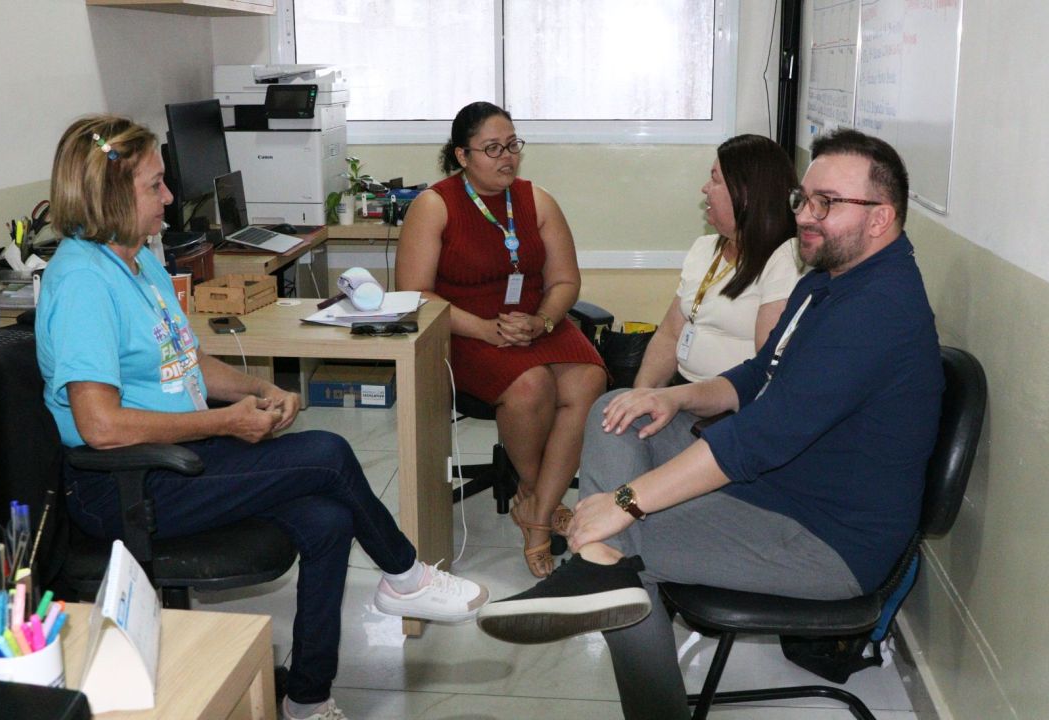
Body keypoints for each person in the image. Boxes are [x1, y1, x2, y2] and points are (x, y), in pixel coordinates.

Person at [476, 128, 944, 720]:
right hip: (781, 485)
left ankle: (607, 587)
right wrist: (678, 398)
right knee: (616, 411)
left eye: (828, 203)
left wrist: (627, 500)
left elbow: (758, 437)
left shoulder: (879, 308)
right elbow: (761, 373)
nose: (806, 215)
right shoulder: (832, 278)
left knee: (617, 543)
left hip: (827, 539)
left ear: (881, 218)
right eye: (805, 197)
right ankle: (601, 569)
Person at [36, 115, 488, 720]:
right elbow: (101, 425)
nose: (169, 198)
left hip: (181, 462)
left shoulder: (138, 261)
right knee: (327, 454)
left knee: (328, 520)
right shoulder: (83, 283)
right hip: (124, 482)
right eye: (154, 186)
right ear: (109, 194)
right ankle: (405, 576)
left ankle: (306, 697)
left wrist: (259, 389)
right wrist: (225, 424)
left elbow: (187, 358)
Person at [396, 101, 607, 578]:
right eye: (492, 148)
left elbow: (565, 283)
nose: (507, 157)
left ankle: (535, 511)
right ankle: (539, 500)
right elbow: (414, 294)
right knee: (531, 385)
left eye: (512, 145)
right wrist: (485, 328)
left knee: (588, 379)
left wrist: (544, 322)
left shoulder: (537, 200)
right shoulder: (435, 205)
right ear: (462, 156)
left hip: (537, 322)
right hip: (462, 329)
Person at [633, 134, 802, 389]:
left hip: (730, 408)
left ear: (745, 194)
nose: (704, 188)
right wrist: (642, 394)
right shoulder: (704, 248)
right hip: (681, 391)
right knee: (608, 411)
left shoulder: (784, 259)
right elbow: (669, 334)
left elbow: (767, 368)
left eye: (714, 179)